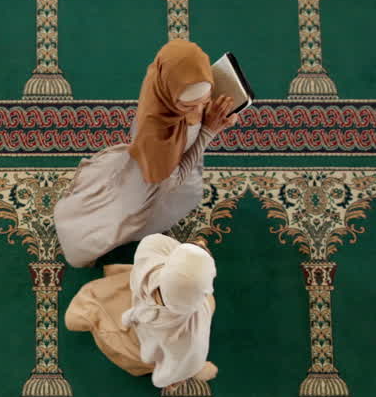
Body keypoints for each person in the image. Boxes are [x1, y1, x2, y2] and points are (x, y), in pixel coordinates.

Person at [53, 40, 240, 268]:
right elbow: (175, 179)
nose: (199, 111)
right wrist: (209, 131)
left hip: (153, 164)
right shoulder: (156, 134)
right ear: (171, 99)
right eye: (189, 106)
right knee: (120, 219)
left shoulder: (164, 81)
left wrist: (213, 114)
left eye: (205, 101)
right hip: (150, 184)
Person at [64, 233, 217, 389]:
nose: (201, 242)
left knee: (99, 303)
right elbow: (171, 372)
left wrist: (192, 250)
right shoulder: (192, 331)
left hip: (137, 312)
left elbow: (156, 243)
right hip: (149, 337)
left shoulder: (148, 266)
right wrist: (189, 372)